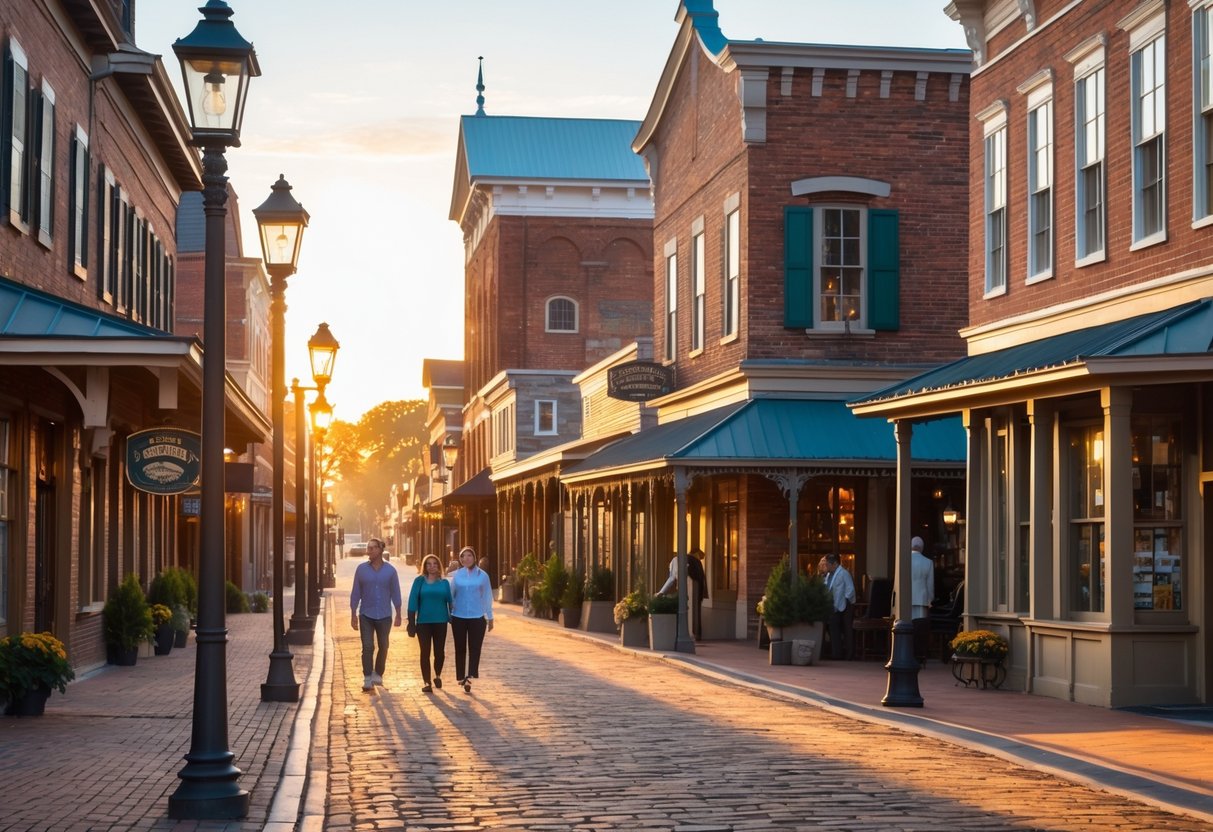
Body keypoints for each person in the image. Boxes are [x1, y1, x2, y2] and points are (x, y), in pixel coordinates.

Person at [349, 538, 402, 692]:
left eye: (372, 548)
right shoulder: (361, 569)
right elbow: (355, 593)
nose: (369, 550)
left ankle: (378, 673)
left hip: (385, 615)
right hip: (366, 613)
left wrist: (398, 613)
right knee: (367, 646)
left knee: (384, 645)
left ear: (380, 550)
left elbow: (395, 592)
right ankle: (367, 677)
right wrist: (353, 613)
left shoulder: (391, 571)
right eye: (368, 548)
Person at [449, 545, 494, 693]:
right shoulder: (456, 575)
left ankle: (470, 675)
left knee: (475, 648)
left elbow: (487, 596)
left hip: (477, 616)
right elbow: (451, 594)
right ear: (460, 559)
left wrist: (490, 617)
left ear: (474, 558)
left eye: (469, 555)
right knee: (460, 648)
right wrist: (449, 611)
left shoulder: (483, 576)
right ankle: (461, 676)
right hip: (458, 616)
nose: (466, 558)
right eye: (463, 556)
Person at [407, 554, 453, 693]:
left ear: (438, 566)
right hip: (423, 623)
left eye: (434, 564)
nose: (432, 566)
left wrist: (453, 620)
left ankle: (437, 675)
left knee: (439, 653)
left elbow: (450, 602)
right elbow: (412, 601)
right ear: (425, 567)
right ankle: (427, 682)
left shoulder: (444, 583)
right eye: (428, 564)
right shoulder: (419, 581)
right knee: (425, 652)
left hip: (440, 622)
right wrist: (411, 623)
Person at [658, 549, 708, 639]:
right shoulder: (697, 562)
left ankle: (686, 633)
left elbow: (672, 578)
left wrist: (661, 592)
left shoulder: (675, 560)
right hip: (697, 590)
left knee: (684, 610)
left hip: (686, 590)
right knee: (696, 612)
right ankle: (697, 633)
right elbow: (702, 579)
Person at [824, 553, 856, 660]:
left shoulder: (844, 573)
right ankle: (836, 654)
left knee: (847, 630)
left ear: (835, 564)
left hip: (845, 605)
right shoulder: (829, 575)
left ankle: (849, 654)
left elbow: (850, 589)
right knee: (834, 629)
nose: (826, 566)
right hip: (834, 606)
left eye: (827, 564)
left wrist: (846, 601)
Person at [910, 536, 935, 665]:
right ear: (922, 547)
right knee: (920, 629)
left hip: (907, 599)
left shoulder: (904, 560)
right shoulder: (928, 562)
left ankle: (908, 653)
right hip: (921, 599)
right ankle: (919, 655)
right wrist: (930, 599)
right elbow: (930, 584)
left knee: (906, 628)